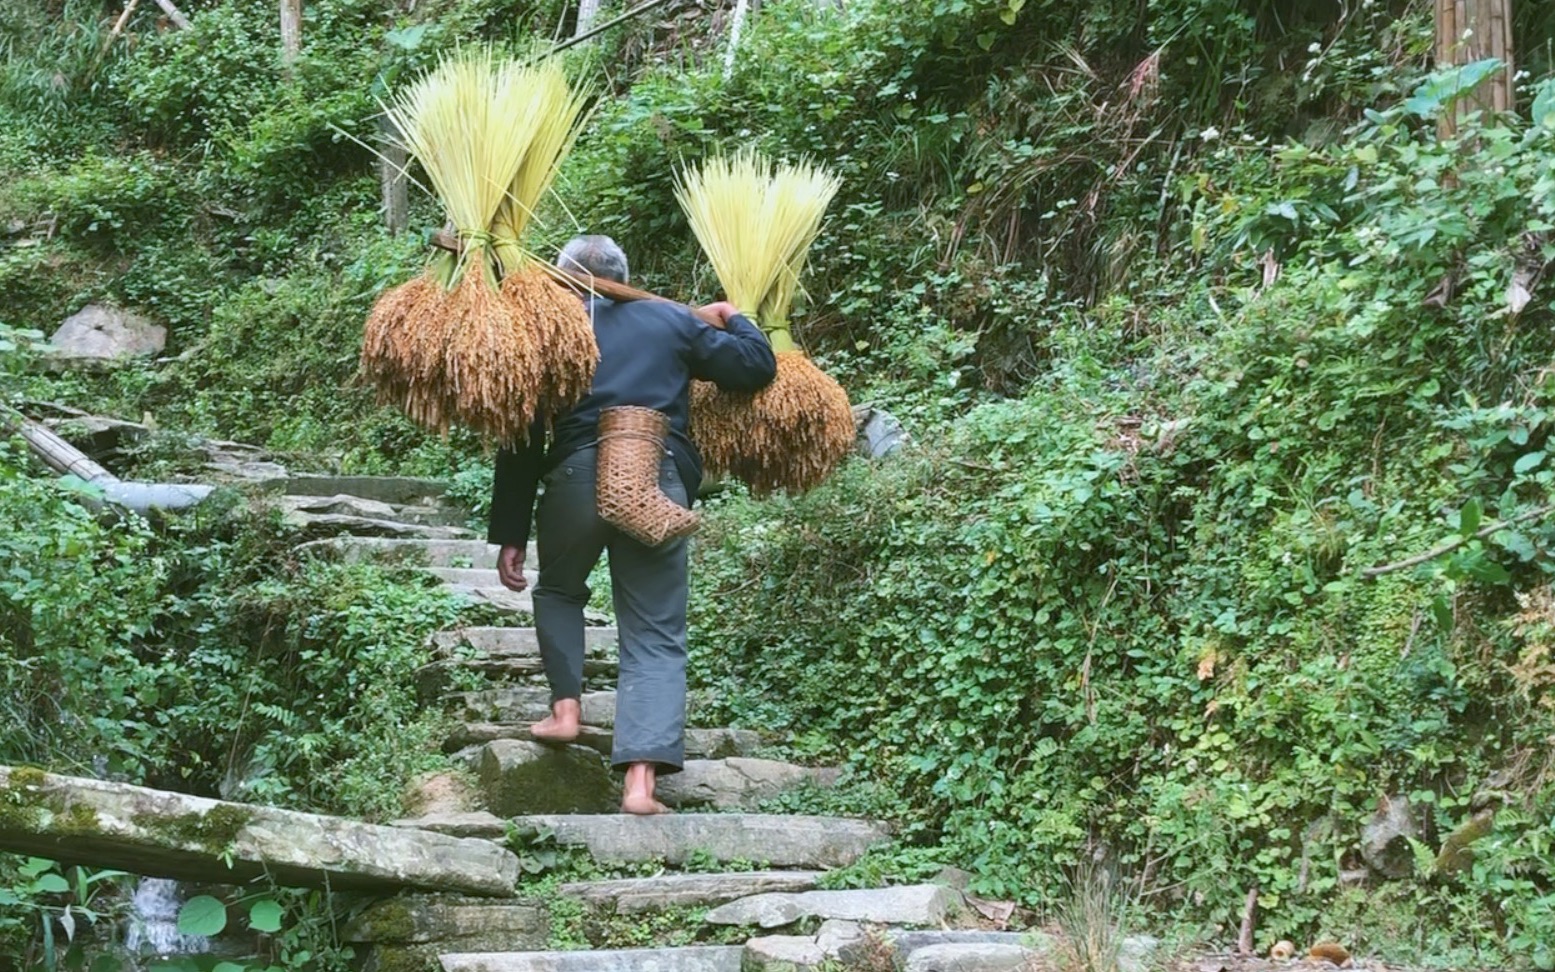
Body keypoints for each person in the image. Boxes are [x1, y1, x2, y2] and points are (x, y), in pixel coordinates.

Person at [487, 234, 777, 815]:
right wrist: (733, 316)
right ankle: (640, 785)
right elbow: (755, 368)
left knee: (559, 591)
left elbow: (519, 438)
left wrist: (512, 532)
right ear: (625, 274)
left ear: (563, 277)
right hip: (658, 477)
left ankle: (565, 712)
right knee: (655, 630)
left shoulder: (547, 329)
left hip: (573, 477)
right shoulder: (670, 319)